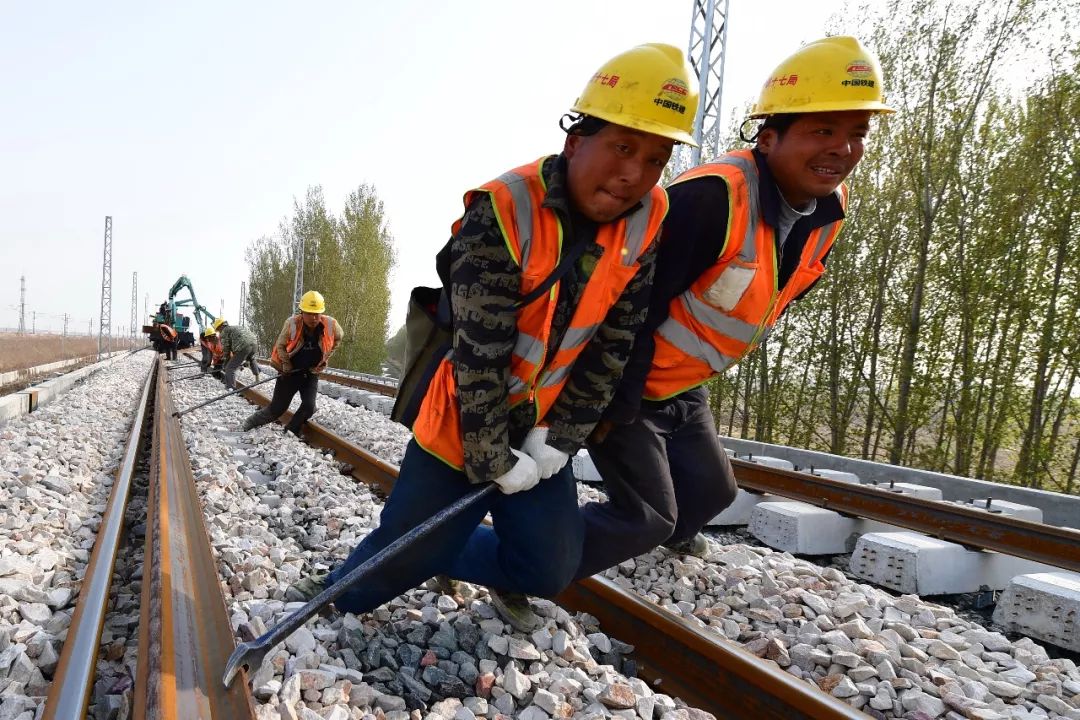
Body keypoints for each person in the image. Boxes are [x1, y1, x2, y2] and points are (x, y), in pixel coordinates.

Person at [288, 44, 698, 632]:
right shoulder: (505, 210)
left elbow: (616, 342)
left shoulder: (649, 217)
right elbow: (478, 358)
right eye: (622, 146)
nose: (635, 172)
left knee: (549, 567)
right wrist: (494, 460)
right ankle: (340, 589)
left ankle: (433, 554)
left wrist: (560, 439)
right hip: (463, 422)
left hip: (541, 426)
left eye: (656, 158)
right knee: (395, 557)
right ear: (576, 140)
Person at [576, 36, 895, 578]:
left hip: (683, 384)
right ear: (769, 138)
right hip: (624, 376)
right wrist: (612, 403)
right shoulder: (711, 198)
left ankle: (636, 541)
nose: (843, 148)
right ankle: (527, 556)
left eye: (857, 134)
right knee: (650, 516)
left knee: (712, 494)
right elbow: (629, 307)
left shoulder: (827, 212)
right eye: (823, 130)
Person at [241, 290, 343, 436]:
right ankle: (248, 423)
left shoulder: (330, 324)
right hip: (290, 372)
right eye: (309, 313)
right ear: (302, 311)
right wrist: (286, 365)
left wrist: (326, 356)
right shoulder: (292, 324)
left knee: (309, 406)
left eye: (317, 313)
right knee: (277, 409)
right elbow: (280, 346)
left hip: (311, 372)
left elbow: (338, 339)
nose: (313, 318)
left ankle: (290, 431)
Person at [214, 318, 260, 388]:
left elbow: (226, 348)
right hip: (254, 344)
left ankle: (231, 388)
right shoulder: (235, 327)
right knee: (251, 358)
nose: (219, 331)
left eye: (218, 329)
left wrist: (225, 361)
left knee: (230, 368)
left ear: (220, 326)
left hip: (243, 347)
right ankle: (257, 379)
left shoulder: (224, 331)